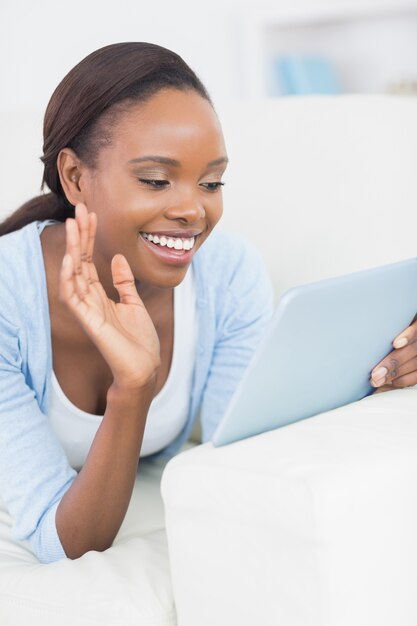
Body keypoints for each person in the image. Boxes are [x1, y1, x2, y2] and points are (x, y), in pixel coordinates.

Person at [0, 42, 416, 566]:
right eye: (155, 180)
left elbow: (244, 451)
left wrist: (384, 365)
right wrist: (134, 388)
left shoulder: (227, 275)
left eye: (212, 182)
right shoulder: (8, 296)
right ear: (76, 178)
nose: (193, 210)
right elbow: (67, 542)